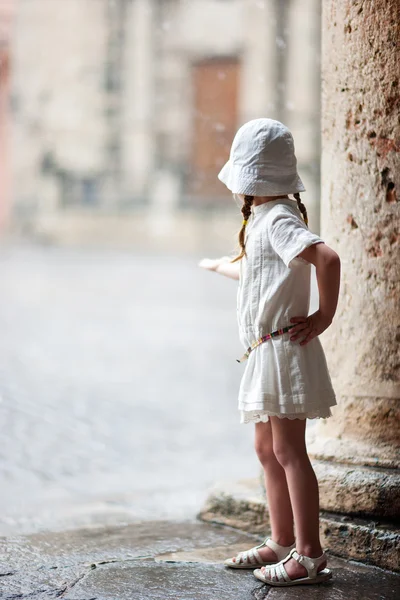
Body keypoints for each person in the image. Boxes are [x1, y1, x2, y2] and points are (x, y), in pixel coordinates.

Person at [199, 118, 340, 587]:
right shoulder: (264, 220)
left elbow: (327, 257)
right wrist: (221, 264)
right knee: (266, 448)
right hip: (264, 351)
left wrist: (322, 317)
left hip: (283, 349)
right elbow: (258, 274)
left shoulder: (278, 218)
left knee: (288, 450)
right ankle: (282, 540)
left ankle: (310, 556)